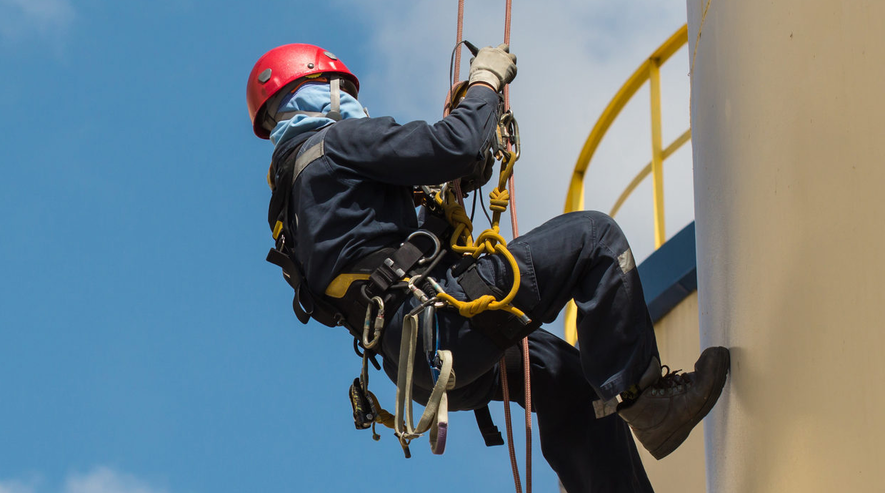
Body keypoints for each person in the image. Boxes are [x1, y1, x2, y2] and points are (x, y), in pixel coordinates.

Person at [247, 43, 729, 492]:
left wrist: (442, 202)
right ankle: (649, 402)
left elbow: (383, 259)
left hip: (415, 361)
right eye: (345, 92)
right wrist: (484, 84)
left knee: (566, 379)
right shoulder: (338, 143)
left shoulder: (291, 203)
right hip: (438, 330)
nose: (354, 102)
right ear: (324, 92)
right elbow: (453, 145)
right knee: (593, 238)